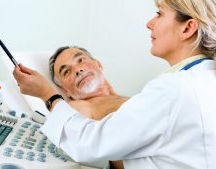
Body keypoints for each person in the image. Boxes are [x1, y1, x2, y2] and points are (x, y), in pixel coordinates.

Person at [13, 0, 216, 168]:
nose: (149, 23)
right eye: (66, 71)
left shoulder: (173, 90)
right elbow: (88, 144)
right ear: (65, 91)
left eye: (159, 14)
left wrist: (50, 96)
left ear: (188, 28)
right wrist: (49, 95)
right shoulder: (199, 80)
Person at [49, 46, 128, 120]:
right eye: (66, 71)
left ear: (98, 64)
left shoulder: (127, 99)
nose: (77, 70)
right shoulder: (79, 107)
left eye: (80, 60)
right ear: (66, 91)